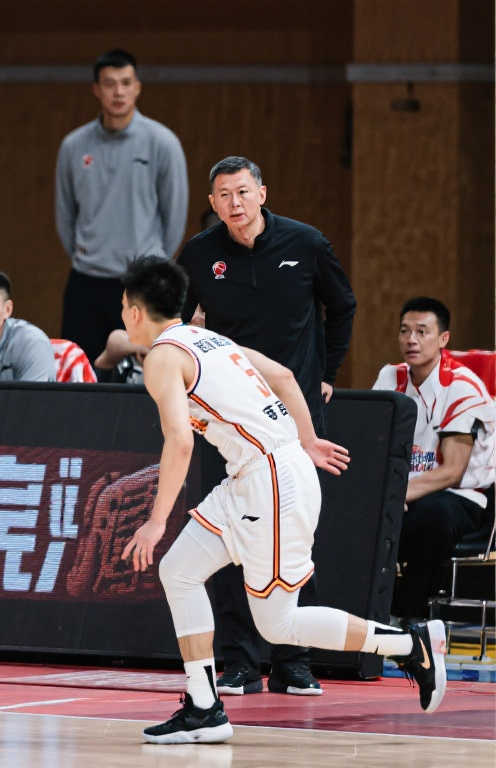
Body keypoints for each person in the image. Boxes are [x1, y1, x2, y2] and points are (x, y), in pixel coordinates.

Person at [118, 257, 446, 744]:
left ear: (135, 311)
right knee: (179, 571)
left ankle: (407, 644)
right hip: (257, 473)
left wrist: (156, 520)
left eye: (123, 307)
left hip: (269, 479)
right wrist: (306, 441)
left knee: (279, 623)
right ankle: (204, 706)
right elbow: (286, 377)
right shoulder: (212, 341)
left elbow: (180, 441)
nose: (122, 316)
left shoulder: (163, 357)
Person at [178, 155, 357, 697]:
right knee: (233, 534)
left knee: (292, 532)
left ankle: (294, 661)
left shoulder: (305, 243)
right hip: (227, 417)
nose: (234, 203)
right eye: (223, 195)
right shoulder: (200, 254)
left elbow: (342, 307)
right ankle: (238, 661)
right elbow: (182, 325)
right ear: (212, 204)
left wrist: (326, 374)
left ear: (262, 192)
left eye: (242, 191)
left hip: (293, 413)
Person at [55, 48, 188, 364]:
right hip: (87, 280)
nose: (118, 92)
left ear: (137, 87)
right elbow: (64, 214)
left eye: (126, 83)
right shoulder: (73, 146)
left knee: (149, 375)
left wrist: (151, 262)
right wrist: (89, 253)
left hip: (145, 283)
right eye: (110, 83)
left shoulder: (163, 142)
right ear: (96, 89)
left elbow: (175, 216)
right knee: (81, 373)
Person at [373, 297, 495, 619]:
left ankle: (409, 618)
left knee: (429, 518)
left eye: (422, 331)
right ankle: (362, 612)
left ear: (443, 339)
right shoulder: (390, 377)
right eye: (404, 331)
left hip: (462, 498)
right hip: (406, 492)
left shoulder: (462, 387)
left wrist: (393, 496)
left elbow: (452, 471)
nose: (411, 340)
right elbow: (373, 444)